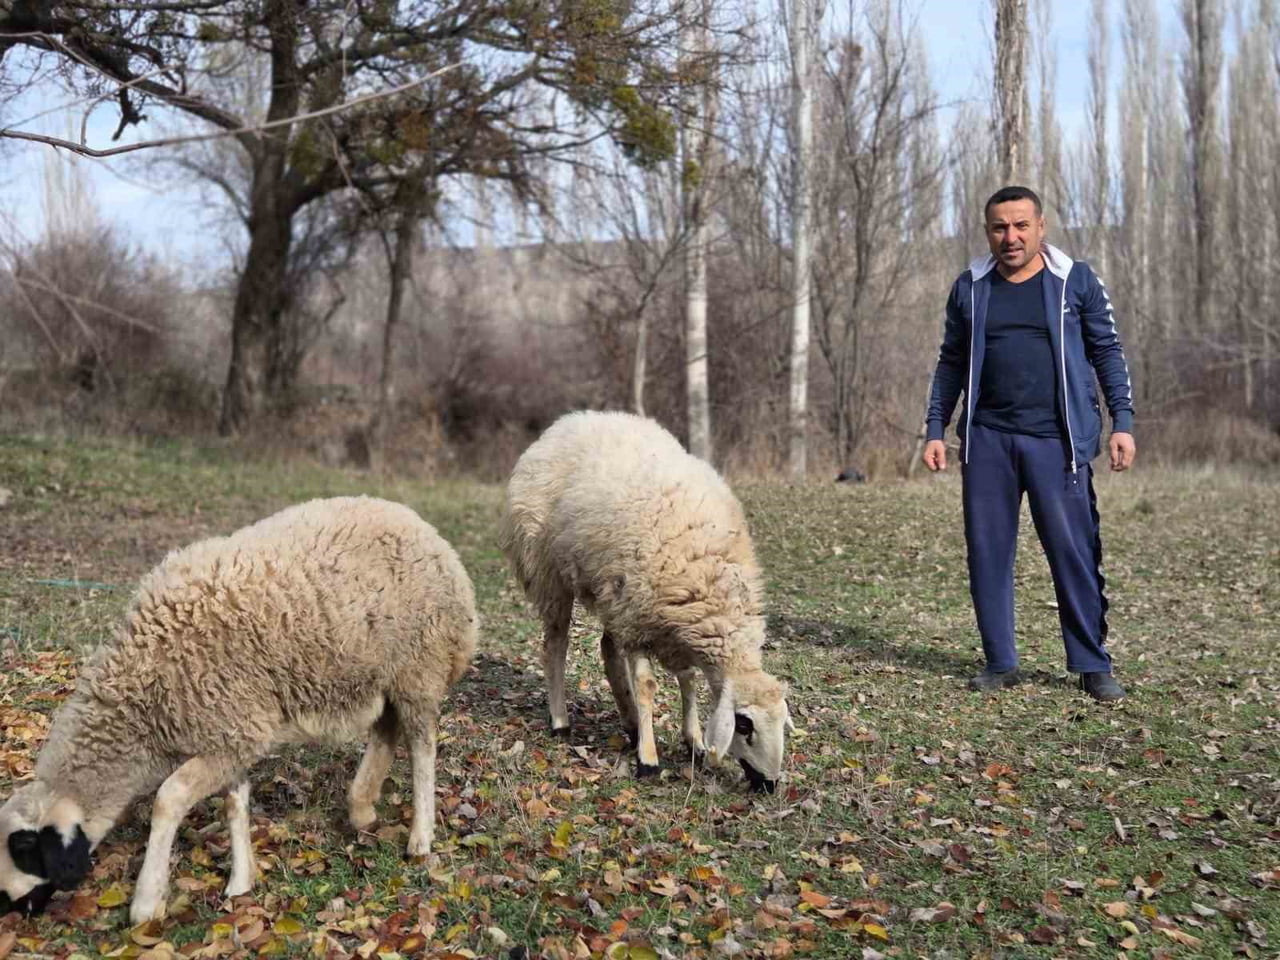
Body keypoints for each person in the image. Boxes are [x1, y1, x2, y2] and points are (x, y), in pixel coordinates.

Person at [923, 185, 1135, 702]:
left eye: (1021, 225)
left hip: (1057, 443)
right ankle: (1000, 661)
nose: (1011, 237)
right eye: (1000, 227)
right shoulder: (970, 286)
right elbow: (951, 361)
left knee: (1073, 553)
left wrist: (1122, 422)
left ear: (1041, 226)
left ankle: (1091, 664)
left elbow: (1107, 351)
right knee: (988, 554)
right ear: (987, 232)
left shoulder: (1075, 280)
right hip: (988, 441)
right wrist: (935, 428)